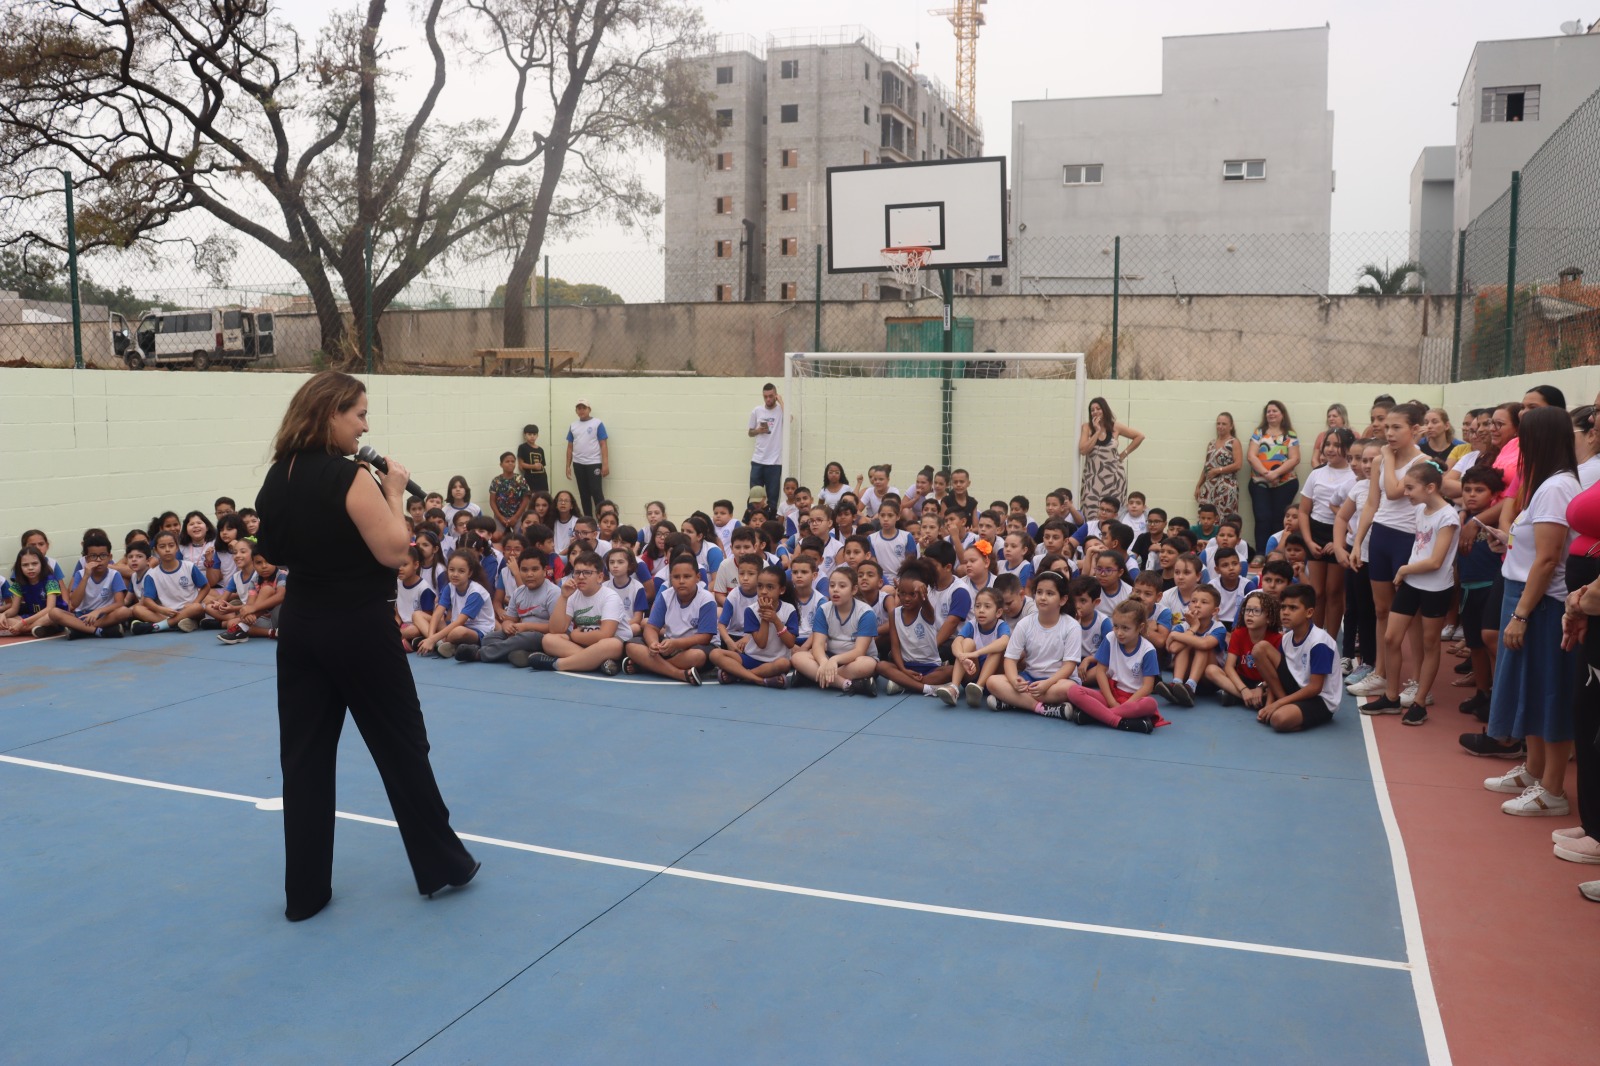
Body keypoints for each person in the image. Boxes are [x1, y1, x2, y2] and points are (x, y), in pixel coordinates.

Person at [254, 370, 478, 922]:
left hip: (302, 627)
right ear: (331, 413)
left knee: (304, 760)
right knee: (402, 745)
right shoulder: (349, 476)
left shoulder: (278, 475)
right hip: (357, 627)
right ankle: (442, 864)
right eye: (359, 413)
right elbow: (394, 549)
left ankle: (305, 894)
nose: (366, 425)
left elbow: (272, 550)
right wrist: (395, 491)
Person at [1471, 406, 1583, 814]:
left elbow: (1550, 558)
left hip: (1541, 604)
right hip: (1527, 596)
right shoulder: (1545, 485)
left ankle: (1553, 789)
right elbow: (1538, 547)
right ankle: (1534, 771)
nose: (1516, 446)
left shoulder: (1556, 487)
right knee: (1530, 689)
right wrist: (1509, 541)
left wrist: (1521, 614)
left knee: (1548, 690)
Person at [1358, 462, 1459, 724]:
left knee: (1429, 644)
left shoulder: (1448, 517)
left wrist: (1403, 569)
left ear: (1431, 487)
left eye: (1410, 488)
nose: (1406, 493)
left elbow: (1436, 561)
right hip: (1413, 583)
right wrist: (1407, 572)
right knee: (1392, 637)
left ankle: (1420, 701)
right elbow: (1420, 548)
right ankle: (1391, 697)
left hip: (1435, 588)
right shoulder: (1421, 511)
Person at [1252, 585, 1341, 732]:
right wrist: (1270, 702)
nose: (1285, 612)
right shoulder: (1287, 638)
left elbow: (1315, 688)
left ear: (1309, 612)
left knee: (1278, 719)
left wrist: (1278, 704)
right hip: (1295, 686)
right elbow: (1277, 672)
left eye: (1293, 608)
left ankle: (1289, 709)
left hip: (1320, 698)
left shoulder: (1319, 642)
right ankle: (1284, 704)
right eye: (1283, 607)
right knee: (1260, 648)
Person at [1247, 400, 1301, 555]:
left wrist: (1276, 474)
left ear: (1282, 414)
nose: (1271, 413)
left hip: (1285, 483)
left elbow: (1295, 458)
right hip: (1260, 484)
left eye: (1274, 411)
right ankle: (1260, 554)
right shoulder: (1259, 432)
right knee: (1262, 518)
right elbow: (1251, 456)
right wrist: (1267, 474)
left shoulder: (1290, 434)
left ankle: (1277, 553)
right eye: (1268, 411)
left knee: (1279, 519)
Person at [1079, 397, 1144, 508]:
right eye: (1092, 410)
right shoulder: (1087, 427)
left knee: (1114, 511)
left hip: (1114, 477)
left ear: (1105, 409)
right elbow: (1083, 450)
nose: (1095, 412)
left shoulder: (1115, 426)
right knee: (1091, 510)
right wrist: (1097, 431)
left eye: (1098, 408)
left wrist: (1123, 454)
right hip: (1093, 478)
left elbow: (1140, 436)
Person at [1194, 411, 1244, 518]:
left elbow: (1238, 464)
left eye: (1224, 424)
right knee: (1206, 518)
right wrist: (1199, 485)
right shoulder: (1211, 443)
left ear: (1231, 426)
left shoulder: (1233, 442)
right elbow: (1206, 466)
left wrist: (1218, 470)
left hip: (1226, 486)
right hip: (1209, 487)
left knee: (1225, 517)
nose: (1220, 426)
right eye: (1218, 423)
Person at [565, 399, 609, 517]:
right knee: (584, 494)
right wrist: (567, 466)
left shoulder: (597, 423)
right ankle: (588, 520)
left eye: (584, 408)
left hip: (594, 463)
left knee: (596, 492)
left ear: (589, 409)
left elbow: (603, 444)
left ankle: (603, 519)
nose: (581, 410)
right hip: (578, 464)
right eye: (579, 408)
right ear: (576, 411)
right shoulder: (573, 426)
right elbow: (570, 447)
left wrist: (605, 464)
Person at [748, 382, 784, 509]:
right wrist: (758, 430)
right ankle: (753, 524)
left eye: (771, 396)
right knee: (754, 497)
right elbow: (750, 432)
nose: (768, 399)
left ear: (775, 395)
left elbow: (789, 420)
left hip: (774, 462)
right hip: (758, 460)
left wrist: (782, 402)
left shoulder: (781, 410)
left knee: (772, 498)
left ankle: (771, 526)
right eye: (765, 396)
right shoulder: (757, 411)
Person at [487, 451, 532, 533]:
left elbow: (526, 499)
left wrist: (515, 517)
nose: (510, 463)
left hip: (518, 516)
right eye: (507, 461)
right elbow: (492, 501)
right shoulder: (496, 481)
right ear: (501, 464)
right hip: (500, 516)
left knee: (520, 536)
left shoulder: (520, 479)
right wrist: (500, 517)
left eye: (513, 461)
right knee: (496, 537)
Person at [1310, 403, 1349, 471]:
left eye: (1334, 416)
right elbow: (1314, 460)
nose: (1331, 419)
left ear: (1343, 418)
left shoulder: (1353, 435)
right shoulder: (1321, 436)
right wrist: (1320, 472)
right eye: (1329, 416)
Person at [517, 424, 549, 493]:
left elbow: (542, 465)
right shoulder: (522, 447)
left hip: (542, 478)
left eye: (534, 434)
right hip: (530, 478)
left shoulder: (540, 449)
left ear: (537, 435)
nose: (532, 436)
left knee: (543, 497)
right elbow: (521, 465)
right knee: (531, 499)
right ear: (525, 435)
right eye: (529, 434)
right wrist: (533, 466)